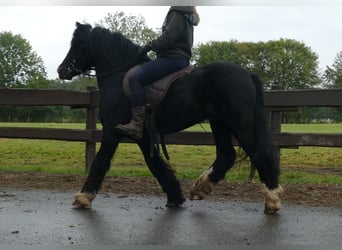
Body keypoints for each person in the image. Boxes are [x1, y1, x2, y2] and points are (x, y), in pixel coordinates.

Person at [115, 6, 200, 140]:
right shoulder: (187, 13)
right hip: (180, 58)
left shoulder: (177, 11)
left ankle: (136, 123)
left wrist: (150, 46)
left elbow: (169, 37)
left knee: (135, 78)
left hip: (171, 58)